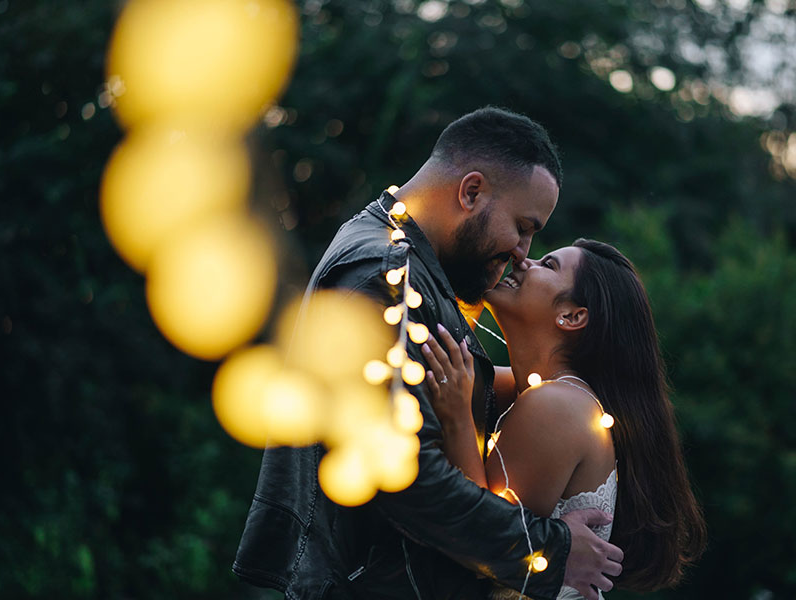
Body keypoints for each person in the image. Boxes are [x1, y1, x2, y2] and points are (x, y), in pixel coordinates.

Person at [233, 107, 623, 600]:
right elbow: (402, 473)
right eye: (523, 226)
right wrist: (551, 552)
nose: (523, 251)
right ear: (471, 191)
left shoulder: (405, 263)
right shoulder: (385, 276)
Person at [422, 239, 707, 599]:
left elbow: (478, 539)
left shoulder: (556, 406)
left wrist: (457, 419)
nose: (524, 261)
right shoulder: (538, 392)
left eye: (549, 265)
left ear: (572, 316)